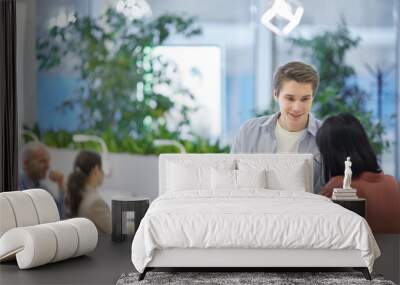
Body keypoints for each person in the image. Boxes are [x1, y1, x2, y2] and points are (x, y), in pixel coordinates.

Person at [231, 61, 323, 193]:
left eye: (305, 99)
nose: (297, 108)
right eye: (290, 99)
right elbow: (232, 180)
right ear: (276, 95)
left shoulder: (326, 136)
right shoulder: (249, 132)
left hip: (309, 211)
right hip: (256, 210)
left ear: (312, 97)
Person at [317, 113, 400, 233]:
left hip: (361, 251)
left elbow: (318, 230)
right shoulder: (391, 183)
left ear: (330, 154)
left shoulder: (338, 186)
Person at [64, 150, 112, 234]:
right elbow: (117, 230)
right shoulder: (96, 203)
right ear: (96, 170)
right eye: (102, 169)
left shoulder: (74, 194)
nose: (103, 173)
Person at [19, 141, 66, 215]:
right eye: (42, 161)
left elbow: (60, 214)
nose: (48, 166)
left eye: (48, 161)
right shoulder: (14, 188)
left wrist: (61, 183)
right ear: (26, 163)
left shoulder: (44, 190)